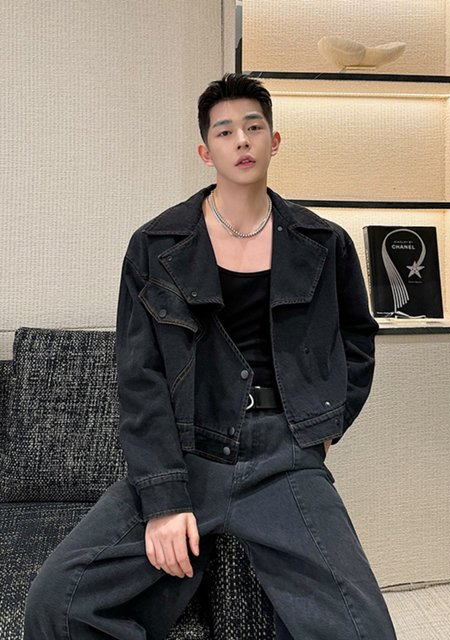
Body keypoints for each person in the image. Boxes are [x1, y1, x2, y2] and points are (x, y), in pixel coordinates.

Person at [24, 72, 397, 639]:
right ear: (206, 152)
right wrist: (163, 499)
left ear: (275, 140)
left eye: (253, 127)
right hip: (188, 449)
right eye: (225, 132)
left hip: (284, 455)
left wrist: (324, 425)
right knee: (58, 600)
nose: (241, 140)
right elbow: (141, 376)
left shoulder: (324, 243)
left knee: (362, 628)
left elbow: (357, 339)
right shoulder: (156, 245)